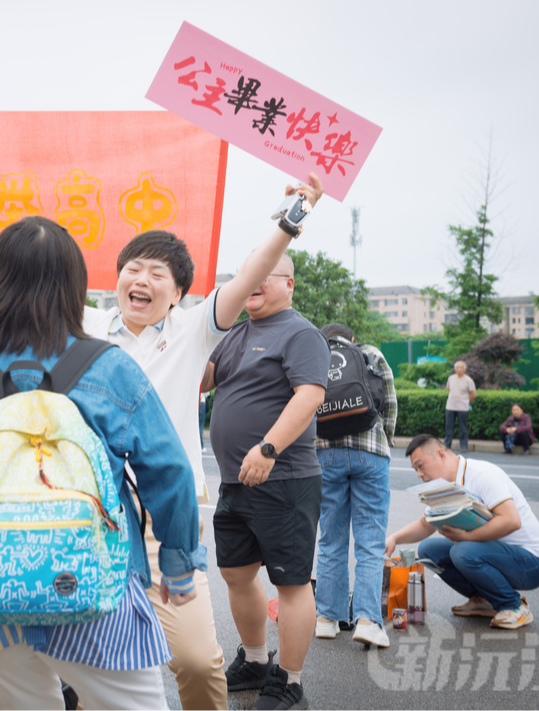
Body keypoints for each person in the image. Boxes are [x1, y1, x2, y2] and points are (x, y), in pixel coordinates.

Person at [0, 174, 324, 710]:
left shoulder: (194, 330)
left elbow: (251, 272)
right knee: (94, 659)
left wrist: (289, 220)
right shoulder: (84, 324)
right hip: (85, 513)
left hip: (163, 517)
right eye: (132, 269)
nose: (141, 279)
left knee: (197, 660)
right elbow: (19, 287)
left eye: (157, 273)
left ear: (178, 292)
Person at [0, 216, 205, 710]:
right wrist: (177, 568)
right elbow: (170, 474)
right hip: (96, 588)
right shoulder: (109, 368)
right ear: (71, 287)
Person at [203, 251, 330, 711]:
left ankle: (290, 680)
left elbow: (310, 395)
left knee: (291, 583)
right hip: (235, 482)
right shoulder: (235, 332)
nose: (252, 283)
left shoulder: (300, 333)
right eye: (246, 276)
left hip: (284, 479)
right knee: (236, 573)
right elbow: (202, 380)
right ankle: (256, 661)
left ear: (290, 284)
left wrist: (269, 448)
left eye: (264, 276)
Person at [385, 434, 539, 630]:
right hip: (497, 554)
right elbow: (425, 524)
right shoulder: (441, 487)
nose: (419, 474)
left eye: (421, 466)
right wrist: (395, 538)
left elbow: (511, 521)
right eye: (415, 469)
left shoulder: (481, 474)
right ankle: (484, 600)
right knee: (428, 550)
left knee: (462, 551)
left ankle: (514, 606)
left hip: (532, 562)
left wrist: (467, 537)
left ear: (441, 455)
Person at [313, 323, 398, 649]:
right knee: (370, 543)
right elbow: (388, 399)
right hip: (370, 454)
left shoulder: (315, 355)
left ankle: (327, 619)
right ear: (350, 339)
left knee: (331, 539)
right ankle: (366, 620)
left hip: (326, 453)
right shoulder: (369, 353)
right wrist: (385, 440)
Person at [443, 360, 476, 453]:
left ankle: (464, 446)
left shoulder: (468, 380)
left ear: (465, 369)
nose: (459, 369)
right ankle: (447, 445)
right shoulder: (451, 378)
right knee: (449, 427)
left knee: (463, 428)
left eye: (461, 367)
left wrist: (466, 402)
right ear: (454, 369)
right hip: (450, 406)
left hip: (462, 408)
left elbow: (473, 394)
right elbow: (449, 390)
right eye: (457, 367)